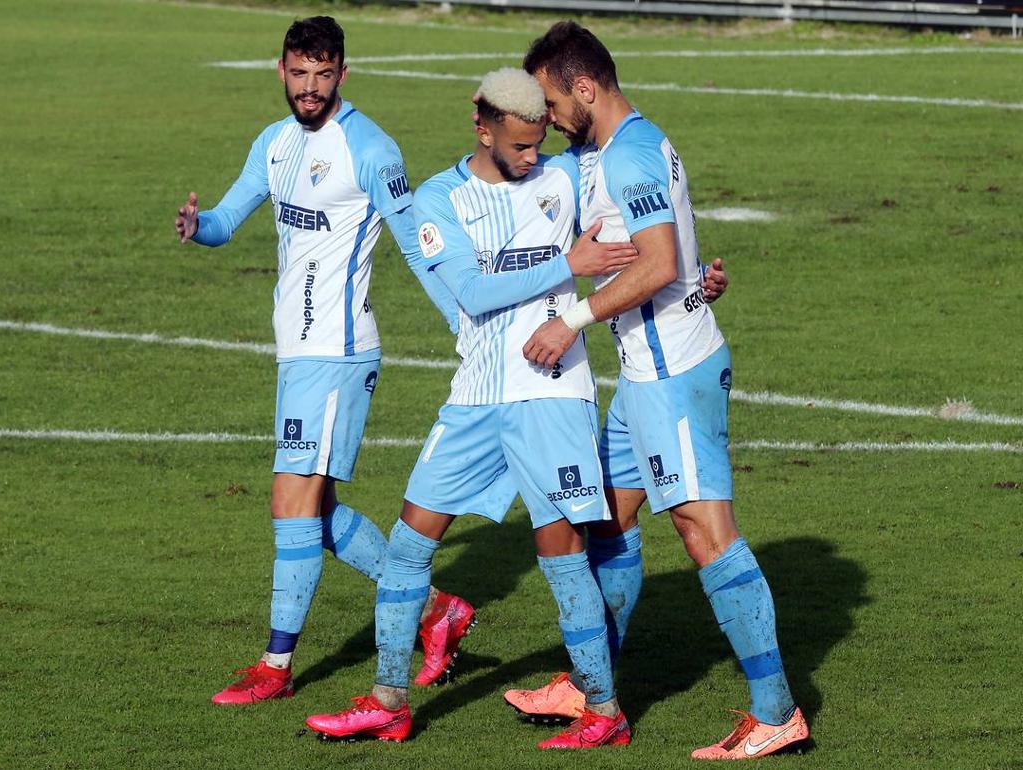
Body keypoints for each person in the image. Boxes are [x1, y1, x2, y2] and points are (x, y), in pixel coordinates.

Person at [303, 68, 642, 749]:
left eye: (536, 143)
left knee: (562, 554)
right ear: (481, 128)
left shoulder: (567, 178)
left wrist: (695, 283)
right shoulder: (440, 200)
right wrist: (564, 261)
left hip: (552, 396)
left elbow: (637, 247)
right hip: (477, 397)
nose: (530, 157)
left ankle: (604, 711)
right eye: (517, 146)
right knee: (408, 545)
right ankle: (389, 701)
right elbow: (473, 293)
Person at [506, 21, 810, 760]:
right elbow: (674, 257)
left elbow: (657, 261)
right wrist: (702, 281)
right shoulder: (606, 148)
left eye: (551, 101)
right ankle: (590, 680)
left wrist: (571, 319)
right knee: (608, 523)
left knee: (707, 537)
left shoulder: (632, 155)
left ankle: (777, 712)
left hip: (673, 377)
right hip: (645, 377)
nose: (546, 117)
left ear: (586, 89)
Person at [174, 16, 474, 705]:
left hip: (338, 354)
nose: (309, 89)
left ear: (343, 73)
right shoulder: (274, 144)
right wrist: (199, 228)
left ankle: (275, 666)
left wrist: (464, 318)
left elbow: (415, 244)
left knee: (291, 504)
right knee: (319, 508)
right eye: (298, 74)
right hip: (296, 353)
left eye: (323, 75)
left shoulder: (370, 148)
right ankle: (437, 610)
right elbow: (227, 218)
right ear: (280, 70)